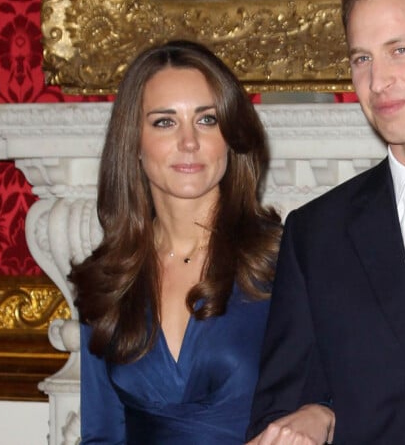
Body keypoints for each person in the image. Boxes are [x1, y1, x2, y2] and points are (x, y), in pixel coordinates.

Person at [246, 0, 405, 444]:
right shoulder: (315, 233)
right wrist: (316, 412)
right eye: (362, 58)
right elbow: (281, 410)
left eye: (399, 51)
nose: (377, 81)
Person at [68, 39, 282, 444]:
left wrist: (319, 414)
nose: (189, 142)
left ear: (232, 136)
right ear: (133, 144)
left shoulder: (282, 262)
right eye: (165, 122)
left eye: (207, 120)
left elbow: (343, 392)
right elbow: (101, 434)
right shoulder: (108, 280)